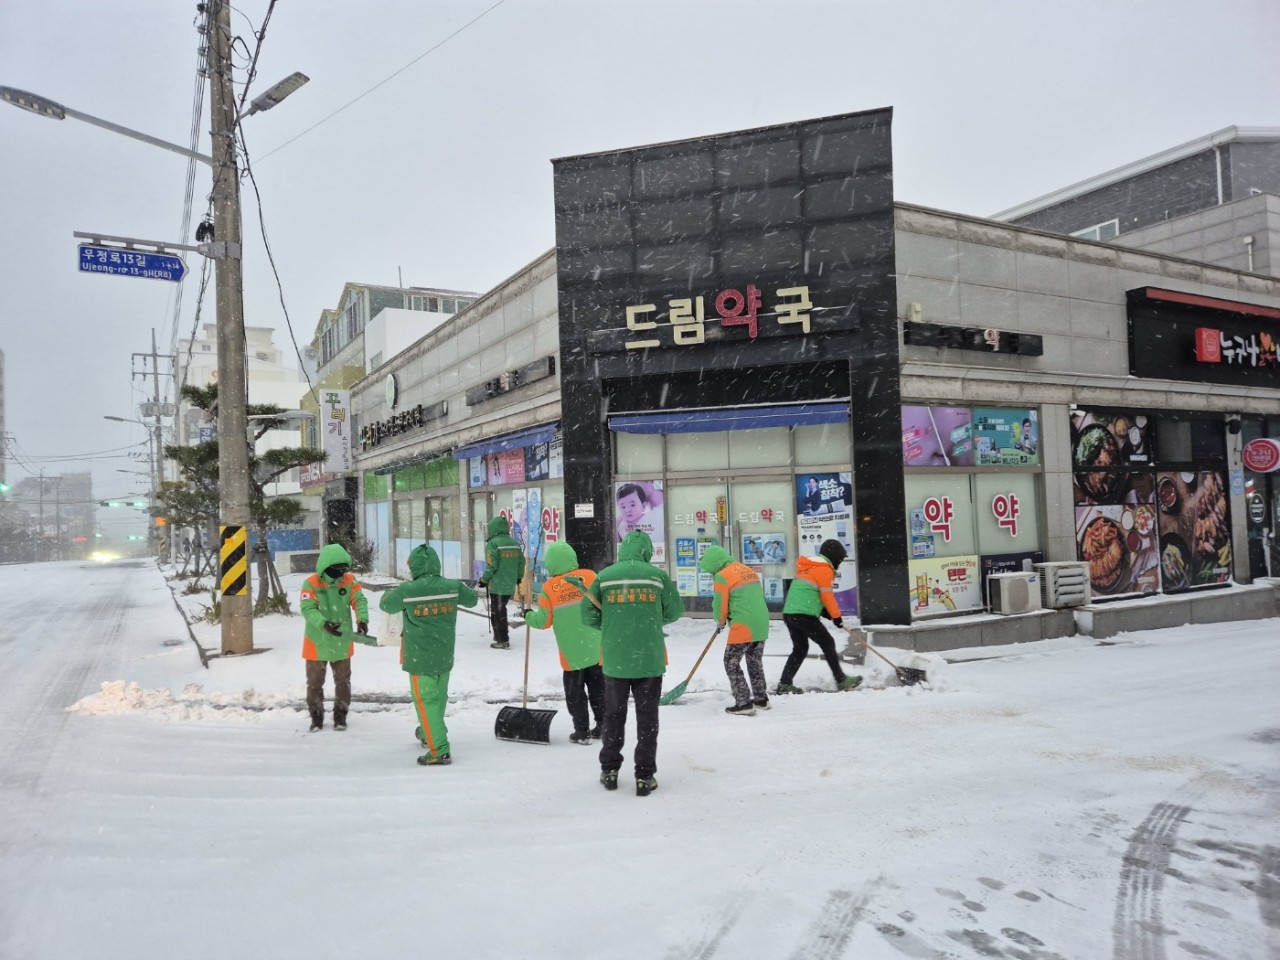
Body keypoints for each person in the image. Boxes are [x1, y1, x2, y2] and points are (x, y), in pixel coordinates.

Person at [582, 530, 683, 797]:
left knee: (613, 716)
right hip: (649, 658)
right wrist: (651, 621)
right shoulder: (657, 577)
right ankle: (644, 776)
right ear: (646, 550)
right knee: (647, 718)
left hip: (615, 659)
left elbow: (587, 614)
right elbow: (674, 611)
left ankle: (610, 770)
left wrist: (611, 626)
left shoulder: (604, 577)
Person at [378, 544, 479, 766]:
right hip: (444, 654)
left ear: (413, 566)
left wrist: (388, 592)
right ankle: (427, 732)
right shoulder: (451, 587)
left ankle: (439, 749)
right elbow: (473, 599)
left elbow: (386, 604)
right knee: (438, 698)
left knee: (426, 701)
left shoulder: (408, 590)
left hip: (419, 657)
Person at [524, 541, 604, 744]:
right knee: (599, 689)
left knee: (575, 693)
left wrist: (528, 616)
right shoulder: (590, 576)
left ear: (551, 564)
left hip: (571, 653)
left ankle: (582, 731)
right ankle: (603, 725)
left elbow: (543, 622)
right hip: (596, 648)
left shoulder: (549, 588)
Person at [298, 543, 372, 732]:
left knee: (343, 682)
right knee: (314, 683)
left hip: (341, 640)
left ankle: (340, 715)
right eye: (336, 571)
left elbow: (359, 599)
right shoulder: (311, 583)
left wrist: (362, 619)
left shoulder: (349, 581)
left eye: (343, 571)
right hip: (317, 642)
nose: (340, 575)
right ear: (325, 568)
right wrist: (324, 624)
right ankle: (316, 717)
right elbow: (308, 609)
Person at [776, 539, 862, 694]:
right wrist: (836, 616)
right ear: (833, 556)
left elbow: (809, 594)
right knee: (828, 642)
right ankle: (841, 679)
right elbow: (827, 597)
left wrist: (826, 613)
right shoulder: (824, 570)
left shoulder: (810, 568)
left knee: (800, 649)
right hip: (803, 614)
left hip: (790, 613)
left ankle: (784, 684)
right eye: (840, 560)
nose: (839, 563)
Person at [699, 545, 771, 716]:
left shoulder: (722, 576)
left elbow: (720, 603)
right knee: (754, 661)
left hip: (743, 625)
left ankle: (744, 702)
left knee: (731, 662)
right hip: (761, 623)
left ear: (713, 564)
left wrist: (720, 621)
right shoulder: (745, 569)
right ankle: (761, 699)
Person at [479, 515, 525, 650]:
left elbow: (492, 565)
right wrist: (518, 577)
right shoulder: (514, 543)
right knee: (501, 609)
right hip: (509, 584)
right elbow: (521, 563)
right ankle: (499, 636)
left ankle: (502, 639)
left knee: (497, 612)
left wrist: (484, 580)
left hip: (497, 584)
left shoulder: (493, 544)